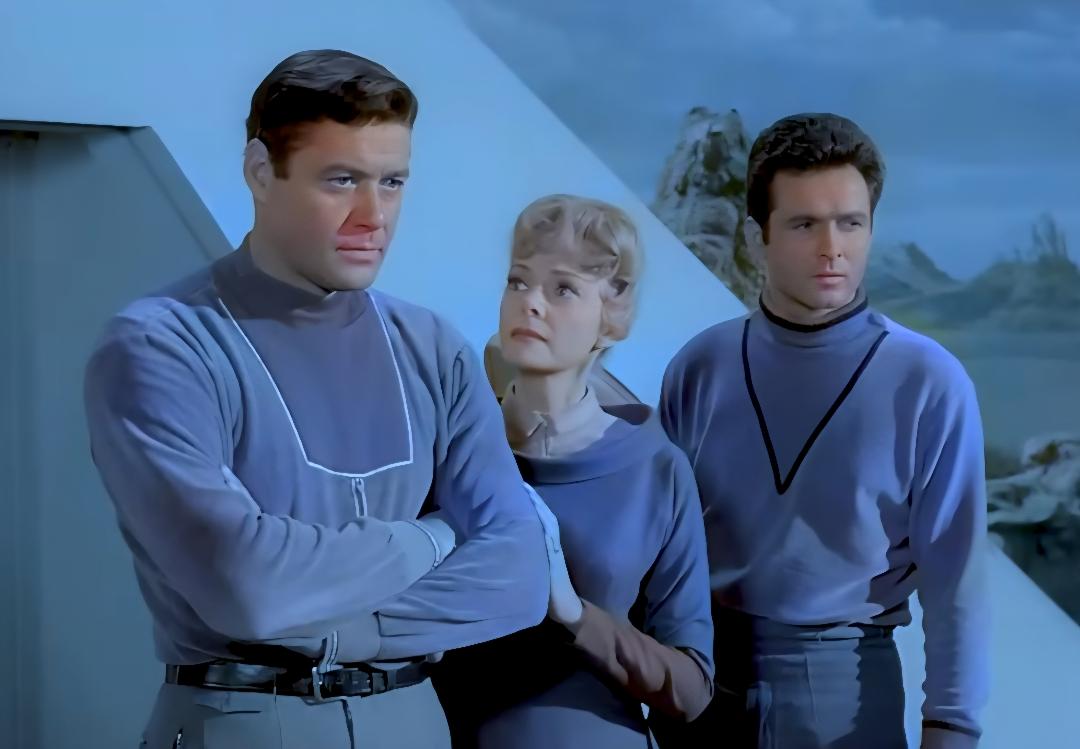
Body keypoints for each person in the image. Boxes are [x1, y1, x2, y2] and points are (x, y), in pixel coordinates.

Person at [82, 49, 548, 748]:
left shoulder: (433, 348)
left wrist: (339, 631)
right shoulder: (162, 346)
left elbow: (520, 571)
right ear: (259, 172)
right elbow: (247, 587)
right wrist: (435, 535)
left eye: (392, 182)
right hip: (242, 724)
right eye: (341, 180)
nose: (373, 216)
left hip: (414, 721)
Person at [655, 113, 990, 749]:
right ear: (756, 237)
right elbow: (658, 548)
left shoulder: (928, 380)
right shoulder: (700, 367)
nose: (832, 248)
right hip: (699, 680)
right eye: (805, 224)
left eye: (851, 223)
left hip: (849, 695)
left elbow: (958, 583)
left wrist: (952, 728)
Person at [433, 194, 715, 748]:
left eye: (562, 289)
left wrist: (574, 615)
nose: (530, 304)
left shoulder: (656, 470)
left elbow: (691, 687)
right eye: (518, 281)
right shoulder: (448, 449)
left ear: (611, 319)